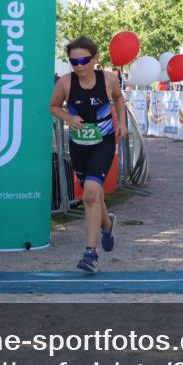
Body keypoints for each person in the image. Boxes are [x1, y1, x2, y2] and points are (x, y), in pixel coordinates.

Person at [50, 36, 127, 274]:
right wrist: (68, 118)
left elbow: (119, 98)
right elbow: (53, 106)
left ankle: (90, 253)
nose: (79, 66)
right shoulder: (65, 83)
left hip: (103, 143)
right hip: (79, 145)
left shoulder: (108, 79)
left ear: (95, 59)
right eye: (74, 62)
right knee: (94, 195)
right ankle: (107, 224)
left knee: (91, 194)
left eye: (83, 61)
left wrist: (122, 123)